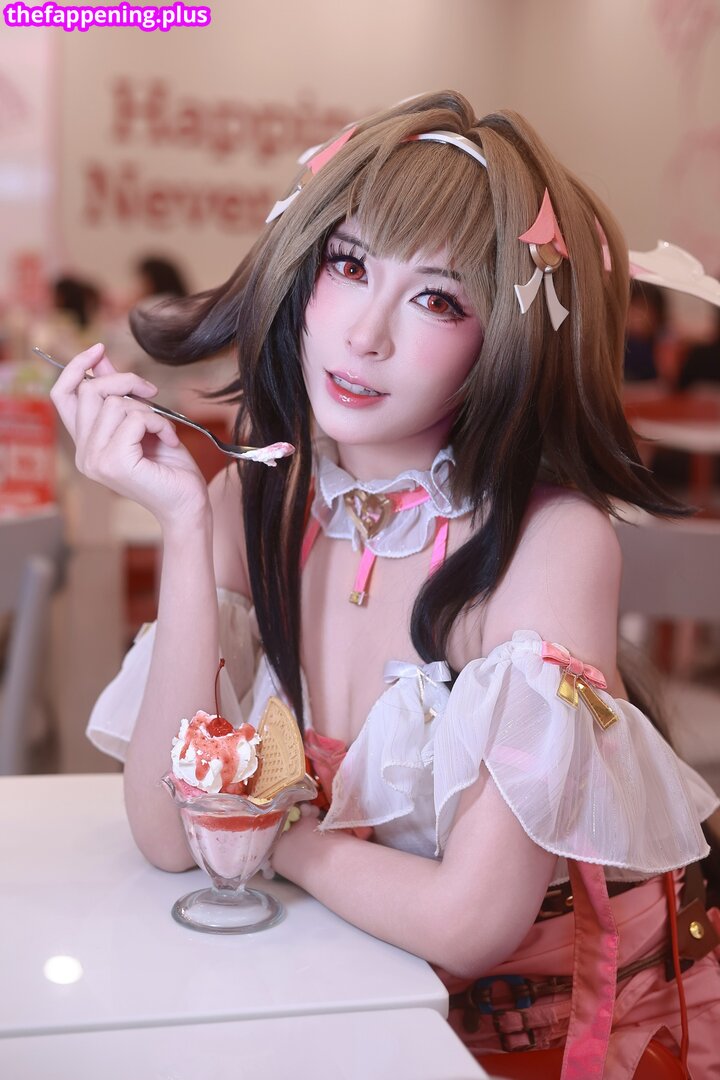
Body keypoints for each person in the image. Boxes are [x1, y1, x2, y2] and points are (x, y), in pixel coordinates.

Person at [49, 92, 720, 1078]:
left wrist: (274, 840)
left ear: (506, 339)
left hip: (536, 1036)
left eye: (437, 299)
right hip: (348, 985)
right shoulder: (257, 497)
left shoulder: (553, 540)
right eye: (350, 265)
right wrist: (185, 526)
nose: (366, 335)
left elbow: (467, 923)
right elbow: (165, 832)